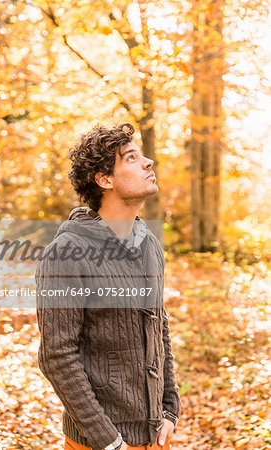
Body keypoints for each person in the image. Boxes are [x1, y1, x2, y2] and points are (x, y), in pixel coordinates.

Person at [35, 123, 182, 450]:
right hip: (98, 443)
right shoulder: (65, 254)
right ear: (105, 180)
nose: (148, 163)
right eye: (131, 158)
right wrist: (108, 440)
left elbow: (159, 327)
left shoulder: (149, 245)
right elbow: (56, 356)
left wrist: (170, 407)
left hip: (155, 437)